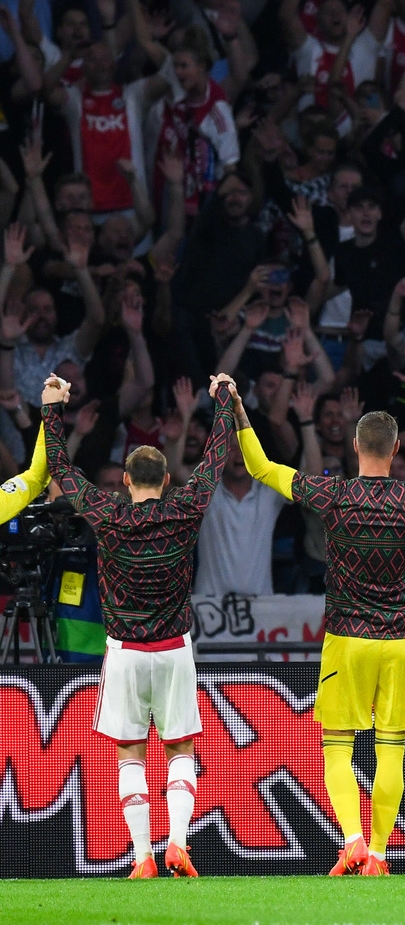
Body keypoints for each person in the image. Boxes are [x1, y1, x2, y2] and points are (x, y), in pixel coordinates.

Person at [234, 392, 405, 876]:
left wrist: (241, 413)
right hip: (399, 642)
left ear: (354, 446)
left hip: (346, 639)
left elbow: (262, 467)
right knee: (392, 749)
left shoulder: (334, 495)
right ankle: (381, 854)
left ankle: (351, 841)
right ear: (393, 451)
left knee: (337, 749)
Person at [47, 372, 224, 879]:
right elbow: (213, 462)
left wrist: (51, 407)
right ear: (166, 480)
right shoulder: (185, 509)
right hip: (174, 650)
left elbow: (59, 466)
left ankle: (143, 856)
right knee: (180, 749)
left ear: (125, 480)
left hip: (124, 652)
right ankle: (179, 842)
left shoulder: (107, 513)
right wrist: (225, 404)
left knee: (130, 753)